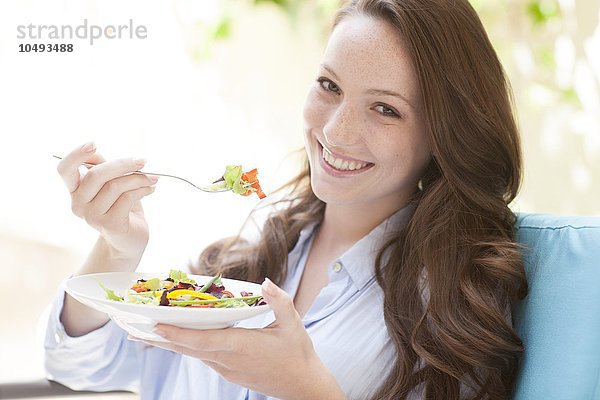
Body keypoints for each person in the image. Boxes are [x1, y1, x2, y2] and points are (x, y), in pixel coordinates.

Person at [44, 0, 528, 399]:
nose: (337, 131)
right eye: (329, 86)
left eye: (386, 109)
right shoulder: (249, 254)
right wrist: (117, 248)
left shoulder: (451, 301)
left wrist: (307, 388)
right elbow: (78, 365)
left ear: (444, 132)